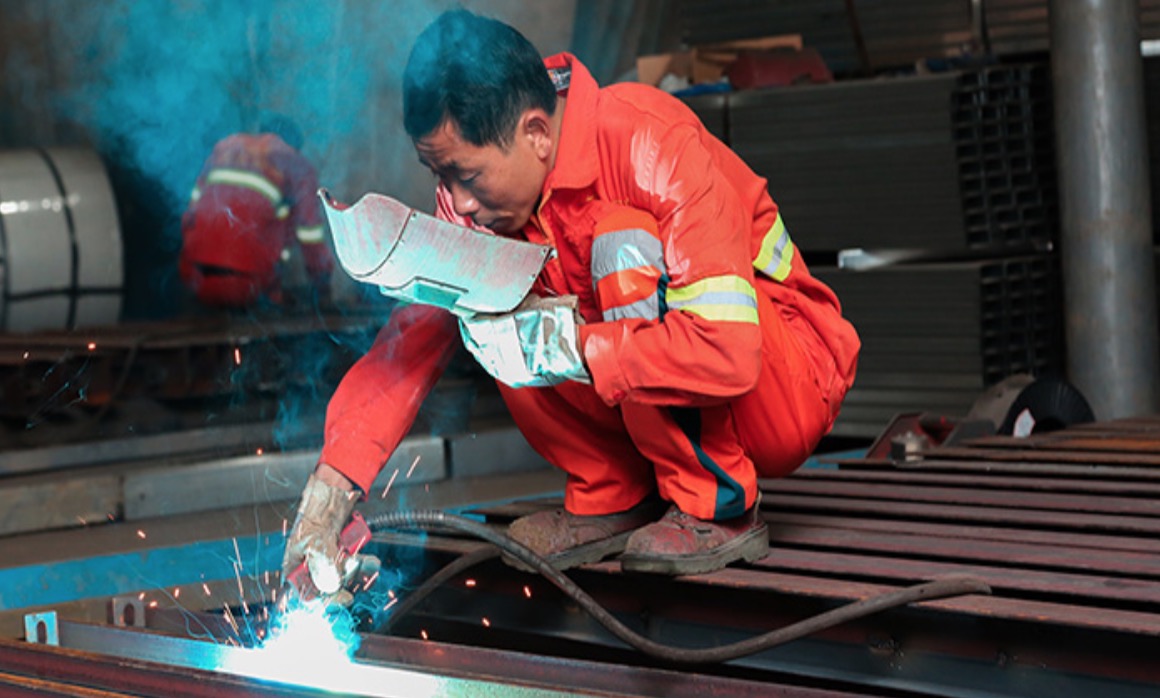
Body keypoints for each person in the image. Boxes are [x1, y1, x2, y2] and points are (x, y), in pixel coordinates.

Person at [282, 9, 860, 598]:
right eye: (439, 175)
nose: (458, 201)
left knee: (621, 245)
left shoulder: (649, 142)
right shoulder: (476, 205)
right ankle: (612, 494)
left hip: (784, 386)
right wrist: (332, 488)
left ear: (536, 133)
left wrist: (571, 345)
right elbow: (411, 343)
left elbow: (728, 352)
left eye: (466, 175)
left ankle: (715, 504)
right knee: (487, 294)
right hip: (689, 388)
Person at [178, 114, 333, 308]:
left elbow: (189, 216)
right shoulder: (296, 163)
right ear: (293, 146)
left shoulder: (223, 148)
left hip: (194, 280)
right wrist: (322, 284)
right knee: (288, 211)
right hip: (246, 287)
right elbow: (310, 235)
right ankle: (272, 295)